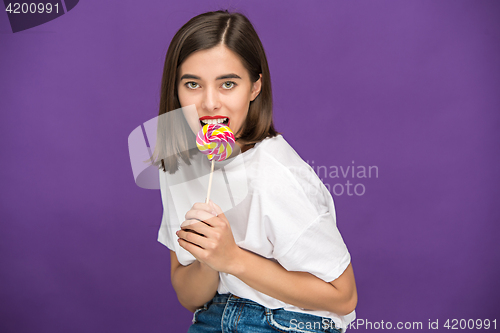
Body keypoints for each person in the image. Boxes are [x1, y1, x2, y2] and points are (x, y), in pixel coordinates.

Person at [153, 10, 357, 333]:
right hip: (211, 317)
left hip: (291, 321)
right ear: (175, 89)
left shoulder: (277, 173)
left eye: (228, 84)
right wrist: (209, 261)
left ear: (254, 87)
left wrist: (232, 258)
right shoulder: (179, 166)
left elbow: (344, 296)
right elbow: (189, 295)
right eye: (192, 84)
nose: (209, 103)